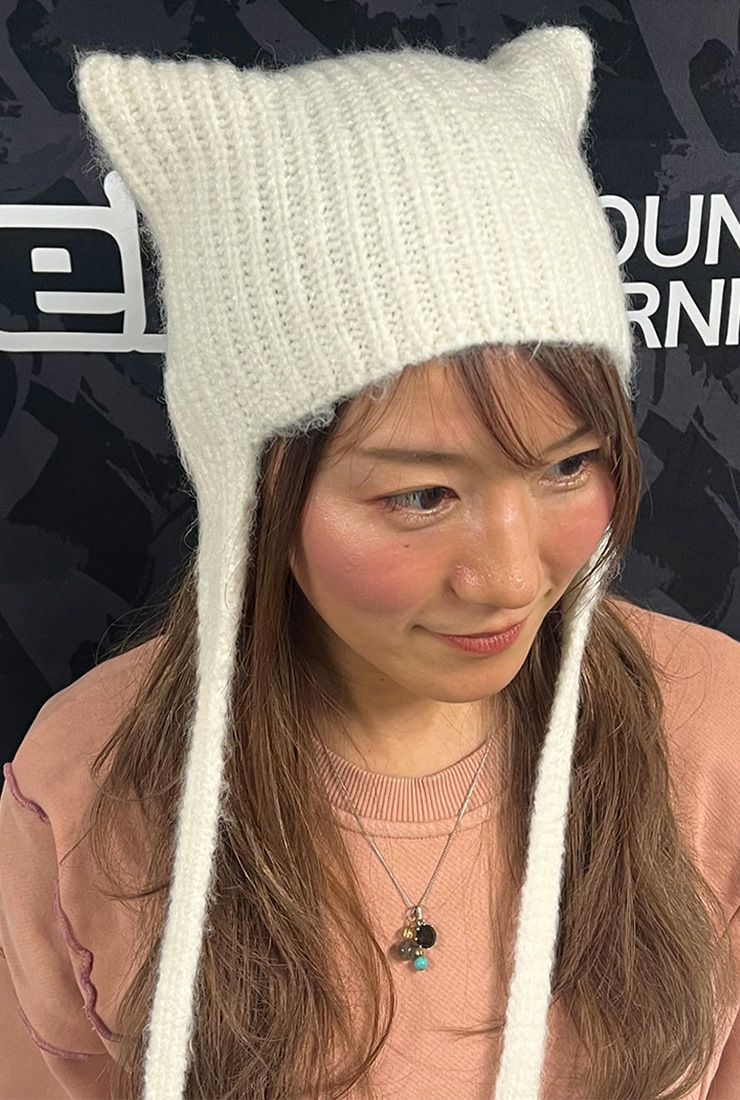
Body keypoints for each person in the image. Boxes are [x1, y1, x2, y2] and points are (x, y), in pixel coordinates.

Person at [1, 23, 739, 1100]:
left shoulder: (715, 736)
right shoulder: (83, 785)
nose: (507, 576)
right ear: (258, 488)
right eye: (420, 495)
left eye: (566, 465)